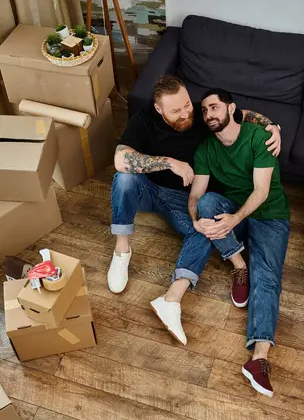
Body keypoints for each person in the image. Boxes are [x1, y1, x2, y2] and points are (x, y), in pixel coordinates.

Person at [151, 88, 290, 397]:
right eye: (204, 110)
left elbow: (261, 191)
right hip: (234, 215)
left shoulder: (258, 138)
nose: (209, 113)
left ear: (232, 108)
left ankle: (259, 359)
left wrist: (234, 220)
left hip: (270, 215)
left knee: (267, 278)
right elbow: (197, 195)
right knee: (209, 203)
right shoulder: (205, 150)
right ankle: (240, 266)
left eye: (214, 107)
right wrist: (195, 217)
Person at [108, 75, 281, 296]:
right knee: (124, 178)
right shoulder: (143, 118)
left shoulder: (201, 114)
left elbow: (244, 115)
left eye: (187, 104)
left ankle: (175, 292)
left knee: (205, 230)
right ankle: (122, 250)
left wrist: (273, 127)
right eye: (175, 111)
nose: (185, 114)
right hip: (148, 189)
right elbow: (120, 159)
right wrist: (170, 163)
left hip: (183, 198)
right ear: (159, 110)